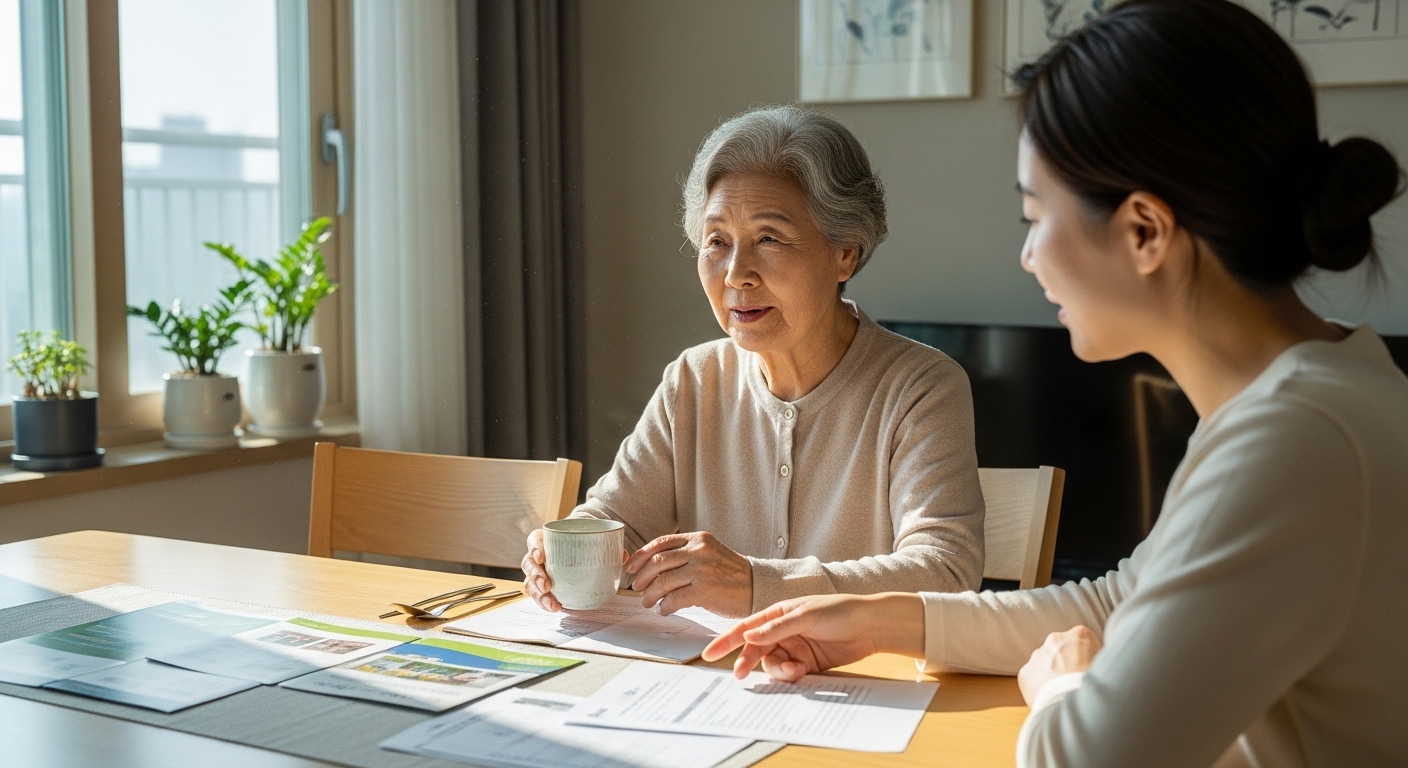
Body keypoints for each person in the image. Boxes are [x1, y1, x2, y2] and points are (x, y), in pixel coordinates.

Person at [703, 1, 1408, 765]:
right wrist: (881, 620)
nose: (1029, 257)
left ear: (1144, 231)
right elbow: (1115, 602)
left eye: (1035, 216)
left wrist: (1063, 683)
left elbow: (1078, 758)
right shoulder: (1317, 396)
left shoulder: (1296, 440)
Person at [522, 106, 986, 618]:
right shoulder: (694, 380)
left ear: (846, 254)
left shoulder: (921, 387)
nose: (736, 274)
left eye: (768, 238)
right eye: (717, 242)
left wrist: (754, 584)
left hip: (859, 684)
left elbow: (945, 570)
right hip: (710, 679)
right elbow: (617, 521)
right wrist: (557, 553)